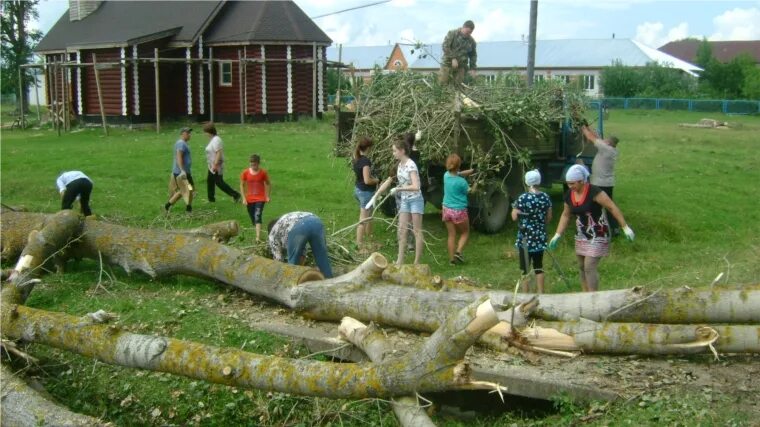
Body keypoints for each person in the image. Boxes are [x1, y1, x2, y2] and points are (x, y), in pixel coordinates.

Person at [548, 164, 635, 292]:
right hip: (582, 234)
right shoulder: (569, 195)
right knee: (582, 266)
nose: (570, 187)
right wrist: (557, 235)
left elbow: (612, 207)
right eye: (568, 183)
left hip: (598, 233)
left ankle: (593, 296)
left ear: (582, 181)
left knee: (589, 266)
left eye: (573, 183)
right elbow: (566, 215)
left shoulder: (595, 192)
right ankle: (585, 294)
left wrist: (625, 227)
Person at [374, 139, 425, 265]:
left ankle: (416, 262)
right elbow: (389, 180)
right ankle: (400, 260)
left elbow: (416, 186)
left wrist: (399, 188)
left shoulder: (410, 165)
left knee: (416, 230)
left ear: (402, 151)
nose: (393, 153)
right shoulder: (399, 165)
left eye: (395, 151)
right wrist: (376, 194)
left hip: (415, 200)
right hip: (405, 200)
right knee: (402, 229)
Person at [511, 169, 552, 293]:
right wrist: (540, 224)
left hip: (525, 238)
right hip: (539, 237)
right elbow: (549, 217)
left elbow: (514, 217)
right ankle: (541, 292)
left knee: (525, 268)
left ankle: (525, 293)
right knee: (539, 266)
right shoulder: (545, 197)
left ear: (527, 182)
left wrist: (516, 211)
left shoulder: (522, 198)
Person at [268, 212, 333, 278]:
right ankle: (330, 282)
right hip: (316, 221)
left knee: (292, 264)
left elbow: (278, 261)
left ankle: (291, 284)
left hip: (299, 226)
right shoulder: (284, 222)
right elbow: (302, 255)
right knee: (322, 257)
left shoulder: (272, 234)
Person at [581, 124, 620, 233]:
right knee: (609, 206)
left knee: (594, 205)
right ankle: (614, 227)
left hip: (599, 183)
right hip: (608, 183)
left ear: (608, 143)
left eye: (606, 140)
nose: (604, 140)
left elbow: (591, 138)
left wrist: (583, 128)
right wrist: (588, 127)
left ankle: (594, 227)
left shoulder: (605, 149)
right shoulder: (611, 149)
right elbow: (597, 138)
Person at [442, 154, 474, 265]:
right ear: (459, 165)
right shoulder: (462, 183)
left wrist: (470, 171)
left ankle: (452, 261)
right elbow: (471, 191)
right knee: (465, 232)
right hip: (459, 211)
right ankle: (458, 252)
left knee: (451, 235)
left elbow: (458, 173)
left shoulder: (446, 176)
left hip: (446, 210)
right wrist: (476, 185)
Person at [203, 122, 241, 203]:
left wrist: (215, 165)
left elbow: (218, 152)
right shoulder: (213, 140)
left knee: (219, 182)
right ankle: (211, 199)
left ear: (209, 132)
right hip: (211, 165)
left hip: (216, 165)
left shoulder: (216, 140)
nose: (205, 134)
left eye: (205, 132)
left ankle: (235, 195)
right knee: (210, 181)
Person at [352, 137, 379, 249]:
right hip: (365, 193)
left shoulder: (356, 158)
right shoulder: (365, 161)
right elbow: (367, 180)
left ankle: (370, 240)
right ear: (368, 148)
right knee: (363, 219)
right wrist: (377, 180)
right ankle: (359, 245)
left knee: (369, 217)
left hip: (358, 190)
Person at [240, 154, 271, 242]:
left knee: (257, 215)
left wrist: (267, 196)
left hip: (260, 199)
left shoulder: (263, 173)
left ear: (258, 163)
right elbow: (242, 185)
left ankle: (258, 237)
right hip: (249, 199)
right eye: (251, 164)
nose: (253, 166)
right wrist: (244, 198)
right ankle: (257, 228)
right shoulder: (245, 173)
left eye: (254, 164)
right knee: (253, 217)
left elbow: (268, 184)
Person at [165, 127, 194, 213]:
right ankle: (168, 205)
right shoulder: (181, 144)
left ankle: (188, 207)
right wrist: (182, 170)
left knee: (189, 189)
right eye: (187, 133)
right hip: (182, 174)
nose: (189, 135)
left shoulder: (183, 143)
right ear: (182, 134)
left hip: (185, 173)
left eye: (190, 133)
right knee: (186, 189)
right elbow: (179, 156)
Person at [439, 20, 477, 85]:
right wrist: (453, 58)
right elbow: (445, 46)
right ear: (463, 27)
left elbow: (473, 55)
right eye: (467, 32)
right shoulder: (452, 34)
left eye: (470, 33)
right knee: (442, 84)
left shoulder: (471, 41)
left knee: (459, 87)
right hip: (447, 64)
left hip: (461, 67)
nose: (468, 34)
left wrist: (472, 68)